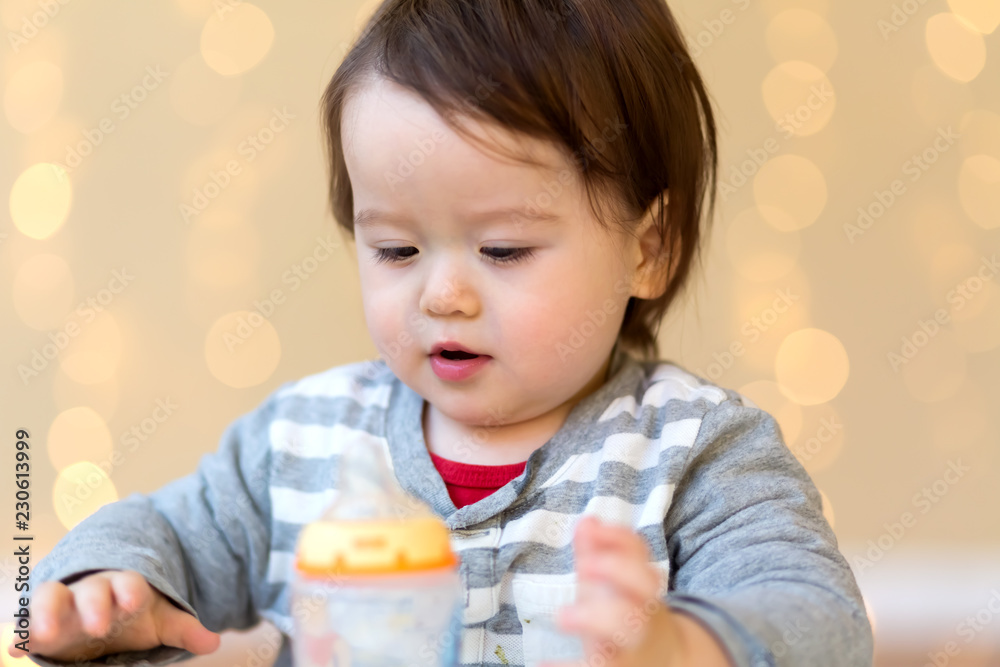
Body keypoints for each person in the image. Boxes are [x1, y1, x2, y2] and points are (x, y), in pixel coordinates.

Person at [9, 1, 874, 666]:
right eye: (396, 249)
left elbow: (822, 617)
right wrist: (99, 588)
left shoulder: (694, 450)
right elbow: (163, 531)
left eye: (503, 250)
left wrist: (684, 645)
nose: (444, 295)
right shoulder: (302, 440)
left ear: (648, 249)